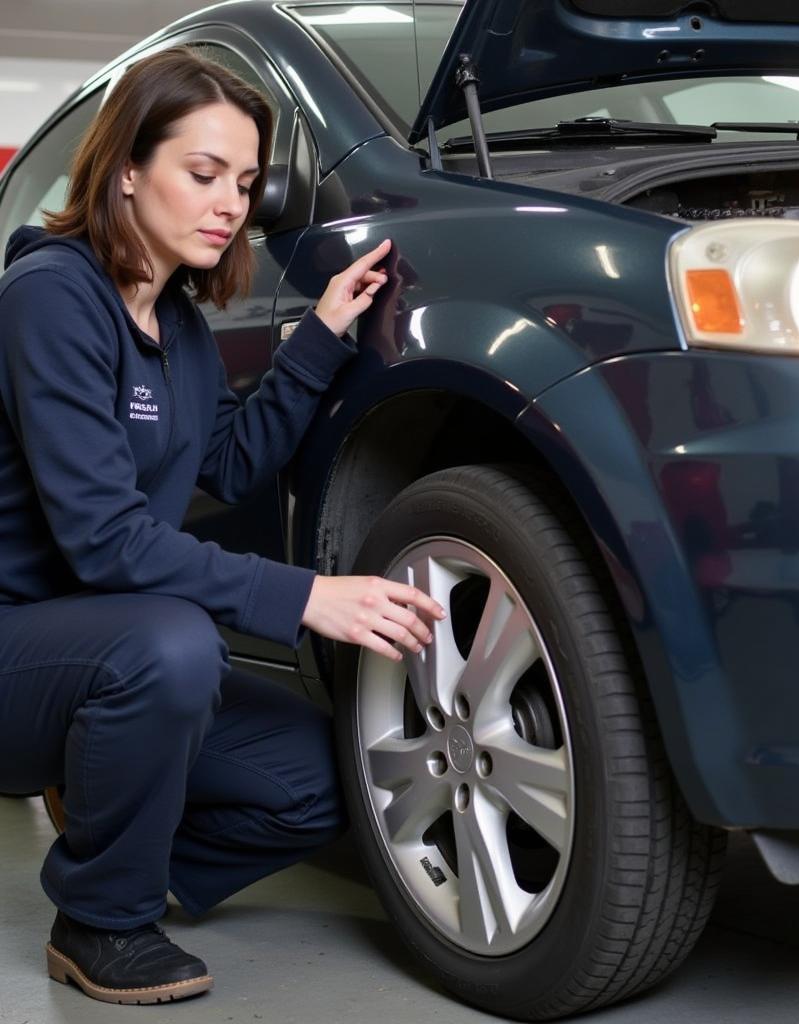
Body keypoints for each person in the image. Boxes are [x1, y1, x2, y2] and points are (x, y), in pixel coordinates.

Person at [0, 46, 445, 1005]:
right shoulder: (49, 298)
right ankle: (100, 919)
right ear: (127, 169)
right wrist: (307, 597)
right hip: (18, 650)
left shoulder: (183, 331)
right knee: (172, 644)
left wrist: (321, 339)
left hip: (106, 651)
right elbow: (103, 541)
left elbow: (232, 464)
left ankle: (127, 838)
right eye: (202, 175)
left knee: (332, 782)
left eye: (244, 182)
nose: (231, 202)